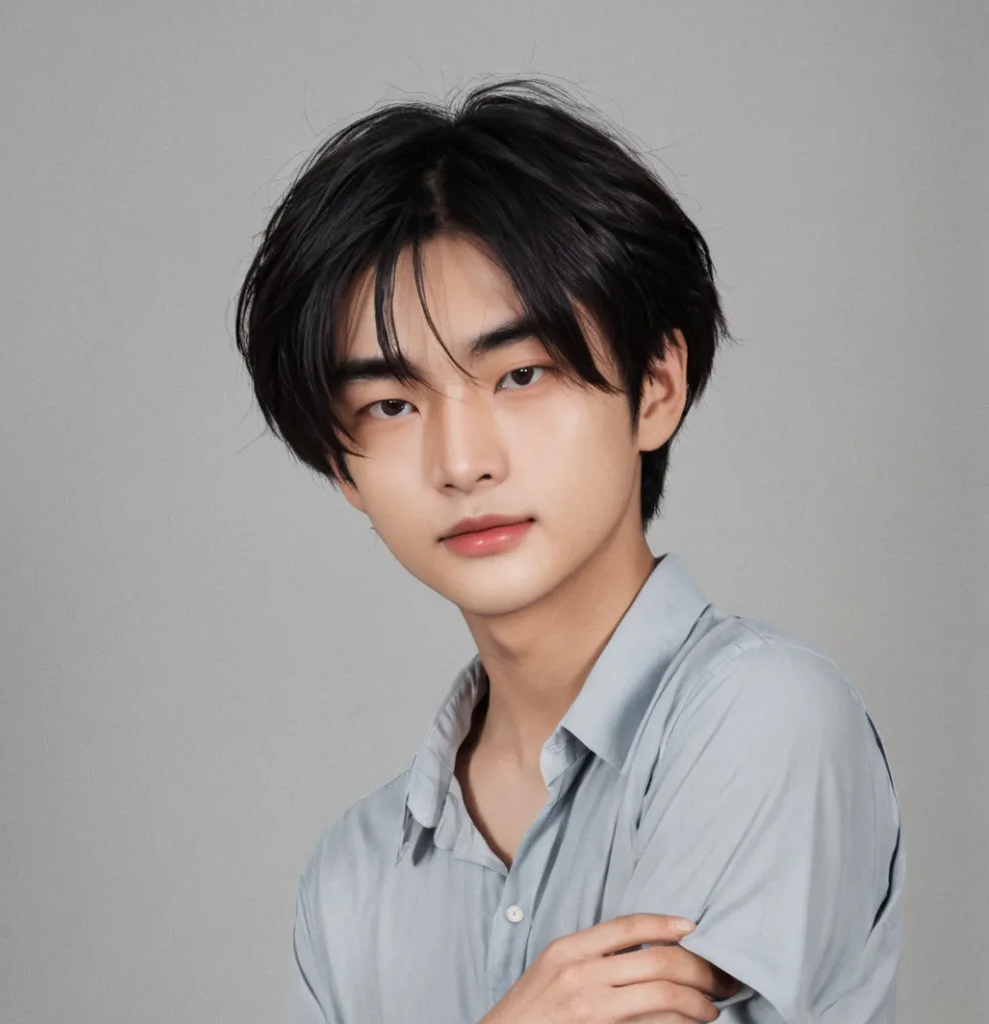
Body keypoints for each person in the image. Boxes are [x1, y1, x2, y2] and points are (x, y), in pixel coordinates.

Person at [235, 79, 905, 1023]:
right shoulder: (350, 878)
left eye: (522, 374)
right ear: (342, 467)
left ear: (656, 386)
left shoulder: (764, 719)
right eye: (391, 404)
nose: (462, 462)